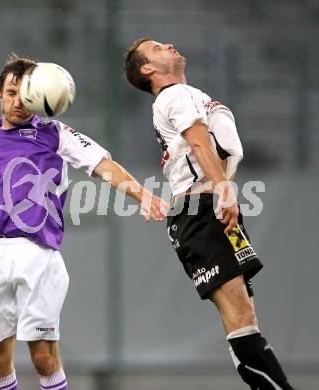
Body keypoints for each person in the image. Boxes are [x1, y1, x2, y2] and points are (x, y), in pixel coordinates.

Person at [0, 54, 165, 390]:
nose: (18, 102)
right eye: (11, 93)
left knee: (43, 356)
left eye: (25, 94)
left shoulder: (55, 133)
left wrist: (144, 195)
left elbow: (101, 164)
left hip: (39, 254)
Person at [123, 38, 295, 390]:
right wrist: (223, 188)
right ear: (147, 69)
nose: (168, 45)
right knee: (242, 318)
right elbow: (199, 142)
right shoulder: (173, 95)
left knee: (243, 321)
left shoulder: (184, 95)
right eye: (156, 47)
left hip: (205, 209)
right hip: (202, 208)